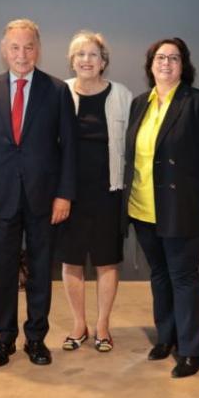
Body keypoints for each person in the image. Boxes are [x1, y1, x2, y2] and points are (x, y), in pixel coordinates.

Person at [0, 19, 77, 368]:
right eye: (15, 47)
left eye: (28, 46)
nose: (22, 54)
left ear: (38, 50)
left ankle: (36, 338)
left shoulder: (57, 91)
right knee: (1, 269)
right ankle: (4, 338)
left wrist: (64, 194)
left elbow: (69, 149)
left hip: (44, 199)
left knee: (40, 269)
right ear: (4, 50)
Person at [124, 37, 199, 378]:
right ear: (150, 64)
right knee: (159, 275)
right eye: (160, 57)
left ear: (184, 65)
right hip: (143, 208)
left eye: (174, 58)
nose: (166, 63)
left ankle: (193, 350)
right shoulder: (140, 103)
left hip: (184, 207)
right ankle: (166, 337)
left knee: (183, 277)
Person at [56, 31, 133, 352]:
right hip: (67, 194)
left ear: (104, 62)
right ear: (72, 61)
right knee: (71, 261)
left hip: (107, 192)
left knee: (106, 261)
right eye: (80, 55)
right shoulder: (59, 92)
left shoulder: (122, 96)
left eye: (93, 55)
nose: (86, 60)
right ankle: (79, 324)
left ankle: (102, 326)